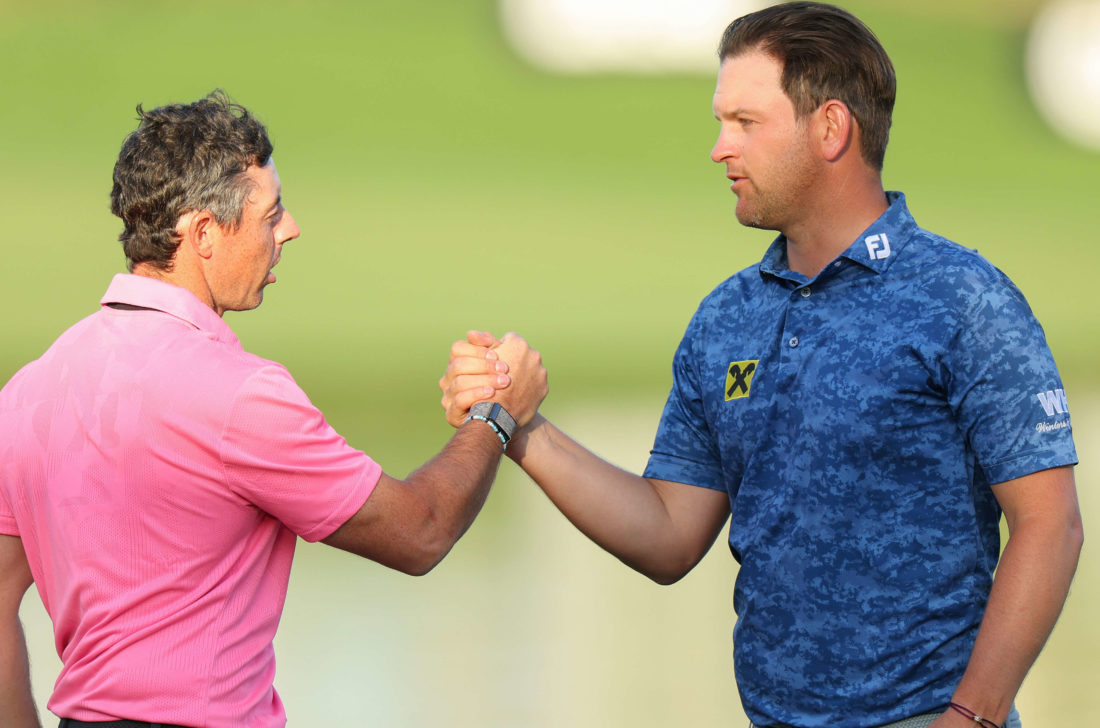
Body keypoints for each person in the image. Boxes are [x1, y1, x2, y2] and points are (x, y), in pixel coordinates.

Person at [440, 3, 1082, 727]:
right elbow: (669, 534)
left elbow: (1049, 525)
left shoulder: (963, 298)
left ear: (832, 128)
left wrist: (973, 718)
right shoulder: (726, 318)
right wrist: (524, 428)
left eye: (746, 123)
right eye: (722, 122)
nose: (720, 148)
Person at [0, 91, 547, 728]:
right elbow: (419, 532)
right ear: (202, 233)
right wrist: (498, 415)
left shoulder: (30, 388)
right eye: (271, 212)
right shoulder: (240, 396)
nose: (289, 228)